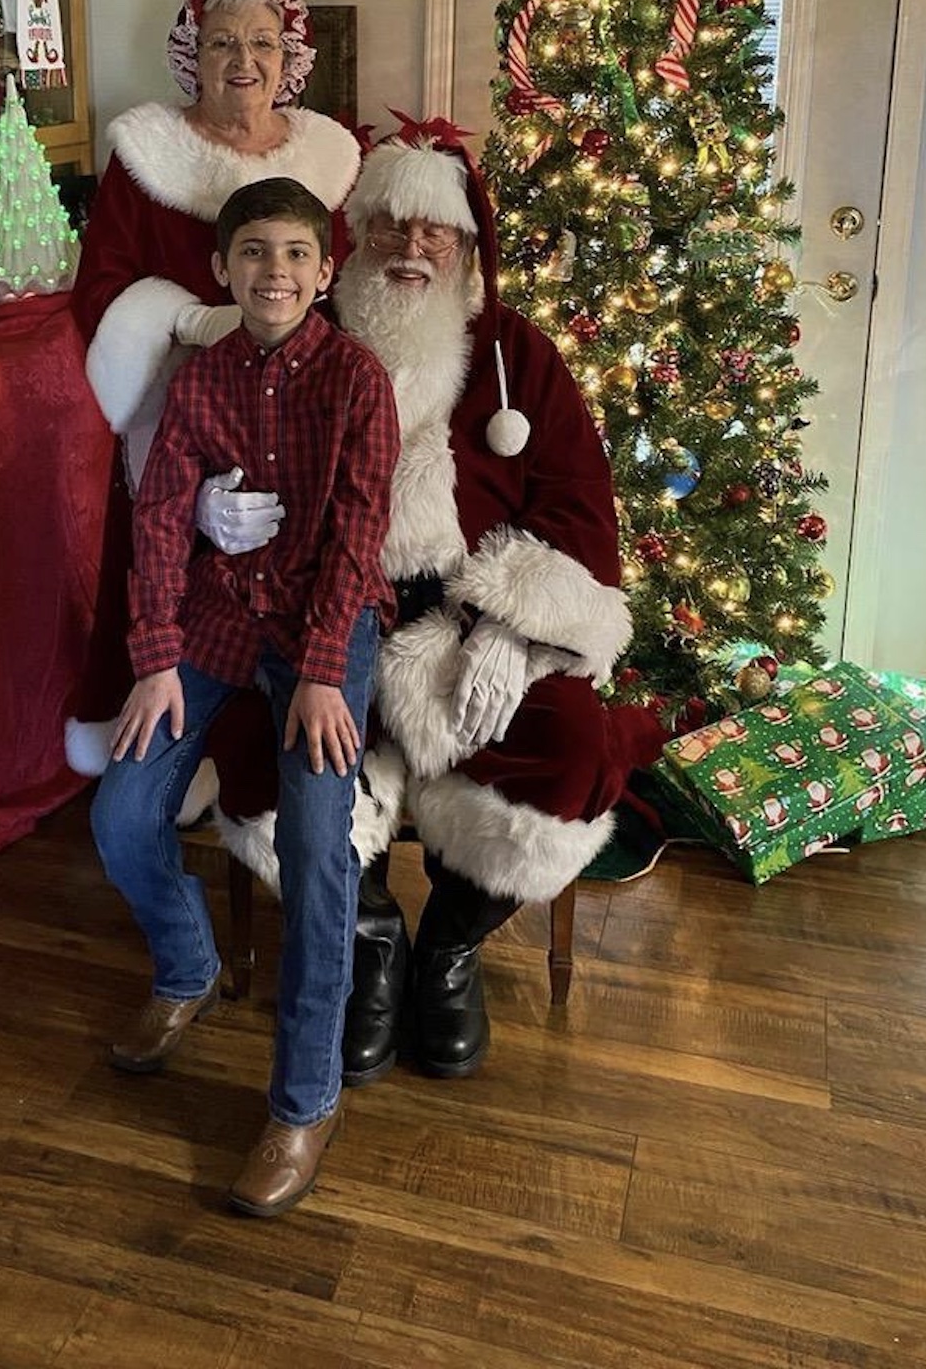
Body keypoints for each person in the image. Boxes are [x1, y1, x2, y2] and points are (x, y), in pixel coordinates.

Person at [208, 118, 669, 1084]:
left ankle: (451, 946)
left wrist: (515, 623)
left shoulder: (517, 357)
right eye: (391, 227)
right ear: (357, 236)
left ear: (465, 249)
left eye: (436, 233)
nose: (412, 249)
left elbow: (580, 505)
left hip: (472, 629)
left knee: (574, 744)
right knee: (261, 736)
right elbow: (230, 454)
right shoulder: (305, 342)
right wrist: (219, 505)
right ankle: (373, 935)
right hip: (330, 624)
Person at [90, 177, 399, 1217]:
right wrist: (155, 653)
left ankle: (304, 1097)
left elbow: (359, 533)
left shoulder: (359, 380)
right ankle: (186, 966)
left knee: (318, 841)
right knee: (123, 808)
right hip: (218, 616)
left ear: (325, 270)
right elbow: (165, 519)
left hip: (325, 623)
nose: (276, 271)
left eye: (297, 253)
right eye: (255, 251)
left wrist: (321, 670)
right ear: (223, 268)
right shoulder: (201, 378)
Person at [67, 0, 360, 778]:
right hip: (174, 416)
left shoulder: (329, 156)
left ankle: (257, 767)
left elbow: (339, 285)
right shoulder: (146, 155)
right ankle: (161, 751)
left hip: (291, 409)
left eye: (262, 42)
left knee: (284, 574)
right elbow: (99, 290)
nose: (244, 60)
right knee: (168, 568)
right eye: (224, 40)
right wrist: (190, 322)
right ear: (194, 52)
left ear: (289, 53)